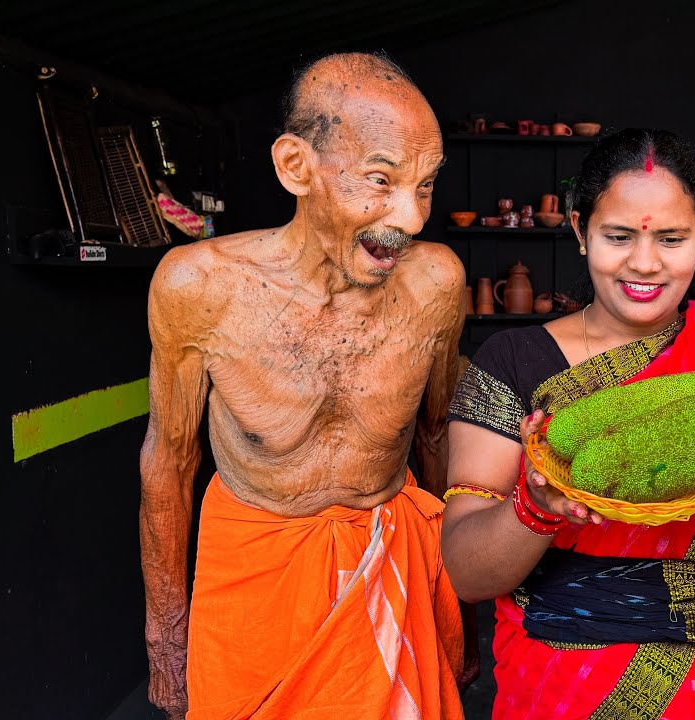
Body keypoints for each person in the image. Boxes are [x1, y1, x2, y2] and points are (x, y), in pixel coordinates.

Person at [139, 52, 471, 720]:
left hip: (392, 567)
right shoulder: (199, 286)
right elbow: (168, 463)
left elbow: (437, 437)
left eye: (426, 185)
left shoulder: (437, 284)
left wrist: (448, 596)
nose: (411, 218)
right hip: (254, 582)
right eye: (381, 180)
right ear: (296, 167)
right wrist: (166, 641)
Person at [443, 128, 695, 719]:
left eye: (672, 238)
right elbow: (466, 574)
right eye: (618, 237)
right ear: (579, 230)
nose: (644, 263)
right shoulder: (511, 364)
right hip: (556, 687)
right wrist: (536, 506)